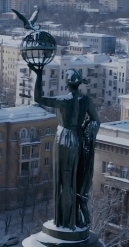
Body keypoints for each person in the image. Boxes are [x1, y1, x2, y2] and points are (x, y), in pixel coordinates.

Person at [30, 66, 100, 230]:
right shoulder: (86, 101)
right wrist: (87, 132)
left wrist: (39, 75)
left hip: (64, 140)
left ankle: (65, 222)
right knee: (74, 179)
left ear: (68, 83)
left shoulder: (64, 101)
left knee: (65, 182)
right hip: (78, 139)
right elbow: (96, 120)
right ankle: (74, 217)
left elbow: (39, 98)